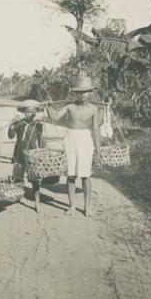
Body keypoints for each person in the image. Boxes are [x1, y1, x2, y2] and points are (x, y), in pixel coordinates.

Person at [47, 72, 101, 217]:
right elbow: (55, 118)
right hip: (70, 138)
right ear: (76, 94)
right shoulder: (69, 107)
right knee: (70, 175)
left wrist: (98, 149)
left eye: (85, 92)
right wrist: (49, 107)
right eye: (80, 93)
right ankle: (71, 206)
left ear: (90, 93)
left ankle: (87, 207)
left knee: (85, 176)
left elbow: (95, 130)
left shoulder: (94, 109)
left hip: (85, 140)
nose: (82, 95)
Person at [8, 99, 44, 198]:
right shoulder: (19, 123)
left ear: (35, 112)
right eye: (27, 111)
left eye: (32, 112)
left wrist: (42, 155)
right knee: (17, 177)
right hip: (19, 153)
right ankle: (18, 196)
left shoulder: (38, 125)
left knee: (34, 179)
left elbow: (41, 141)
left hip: (32, 154)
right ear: (23, 112)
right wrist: (11, 125)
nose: (29, 114)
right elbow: (10, 136)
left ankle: (37, 202)